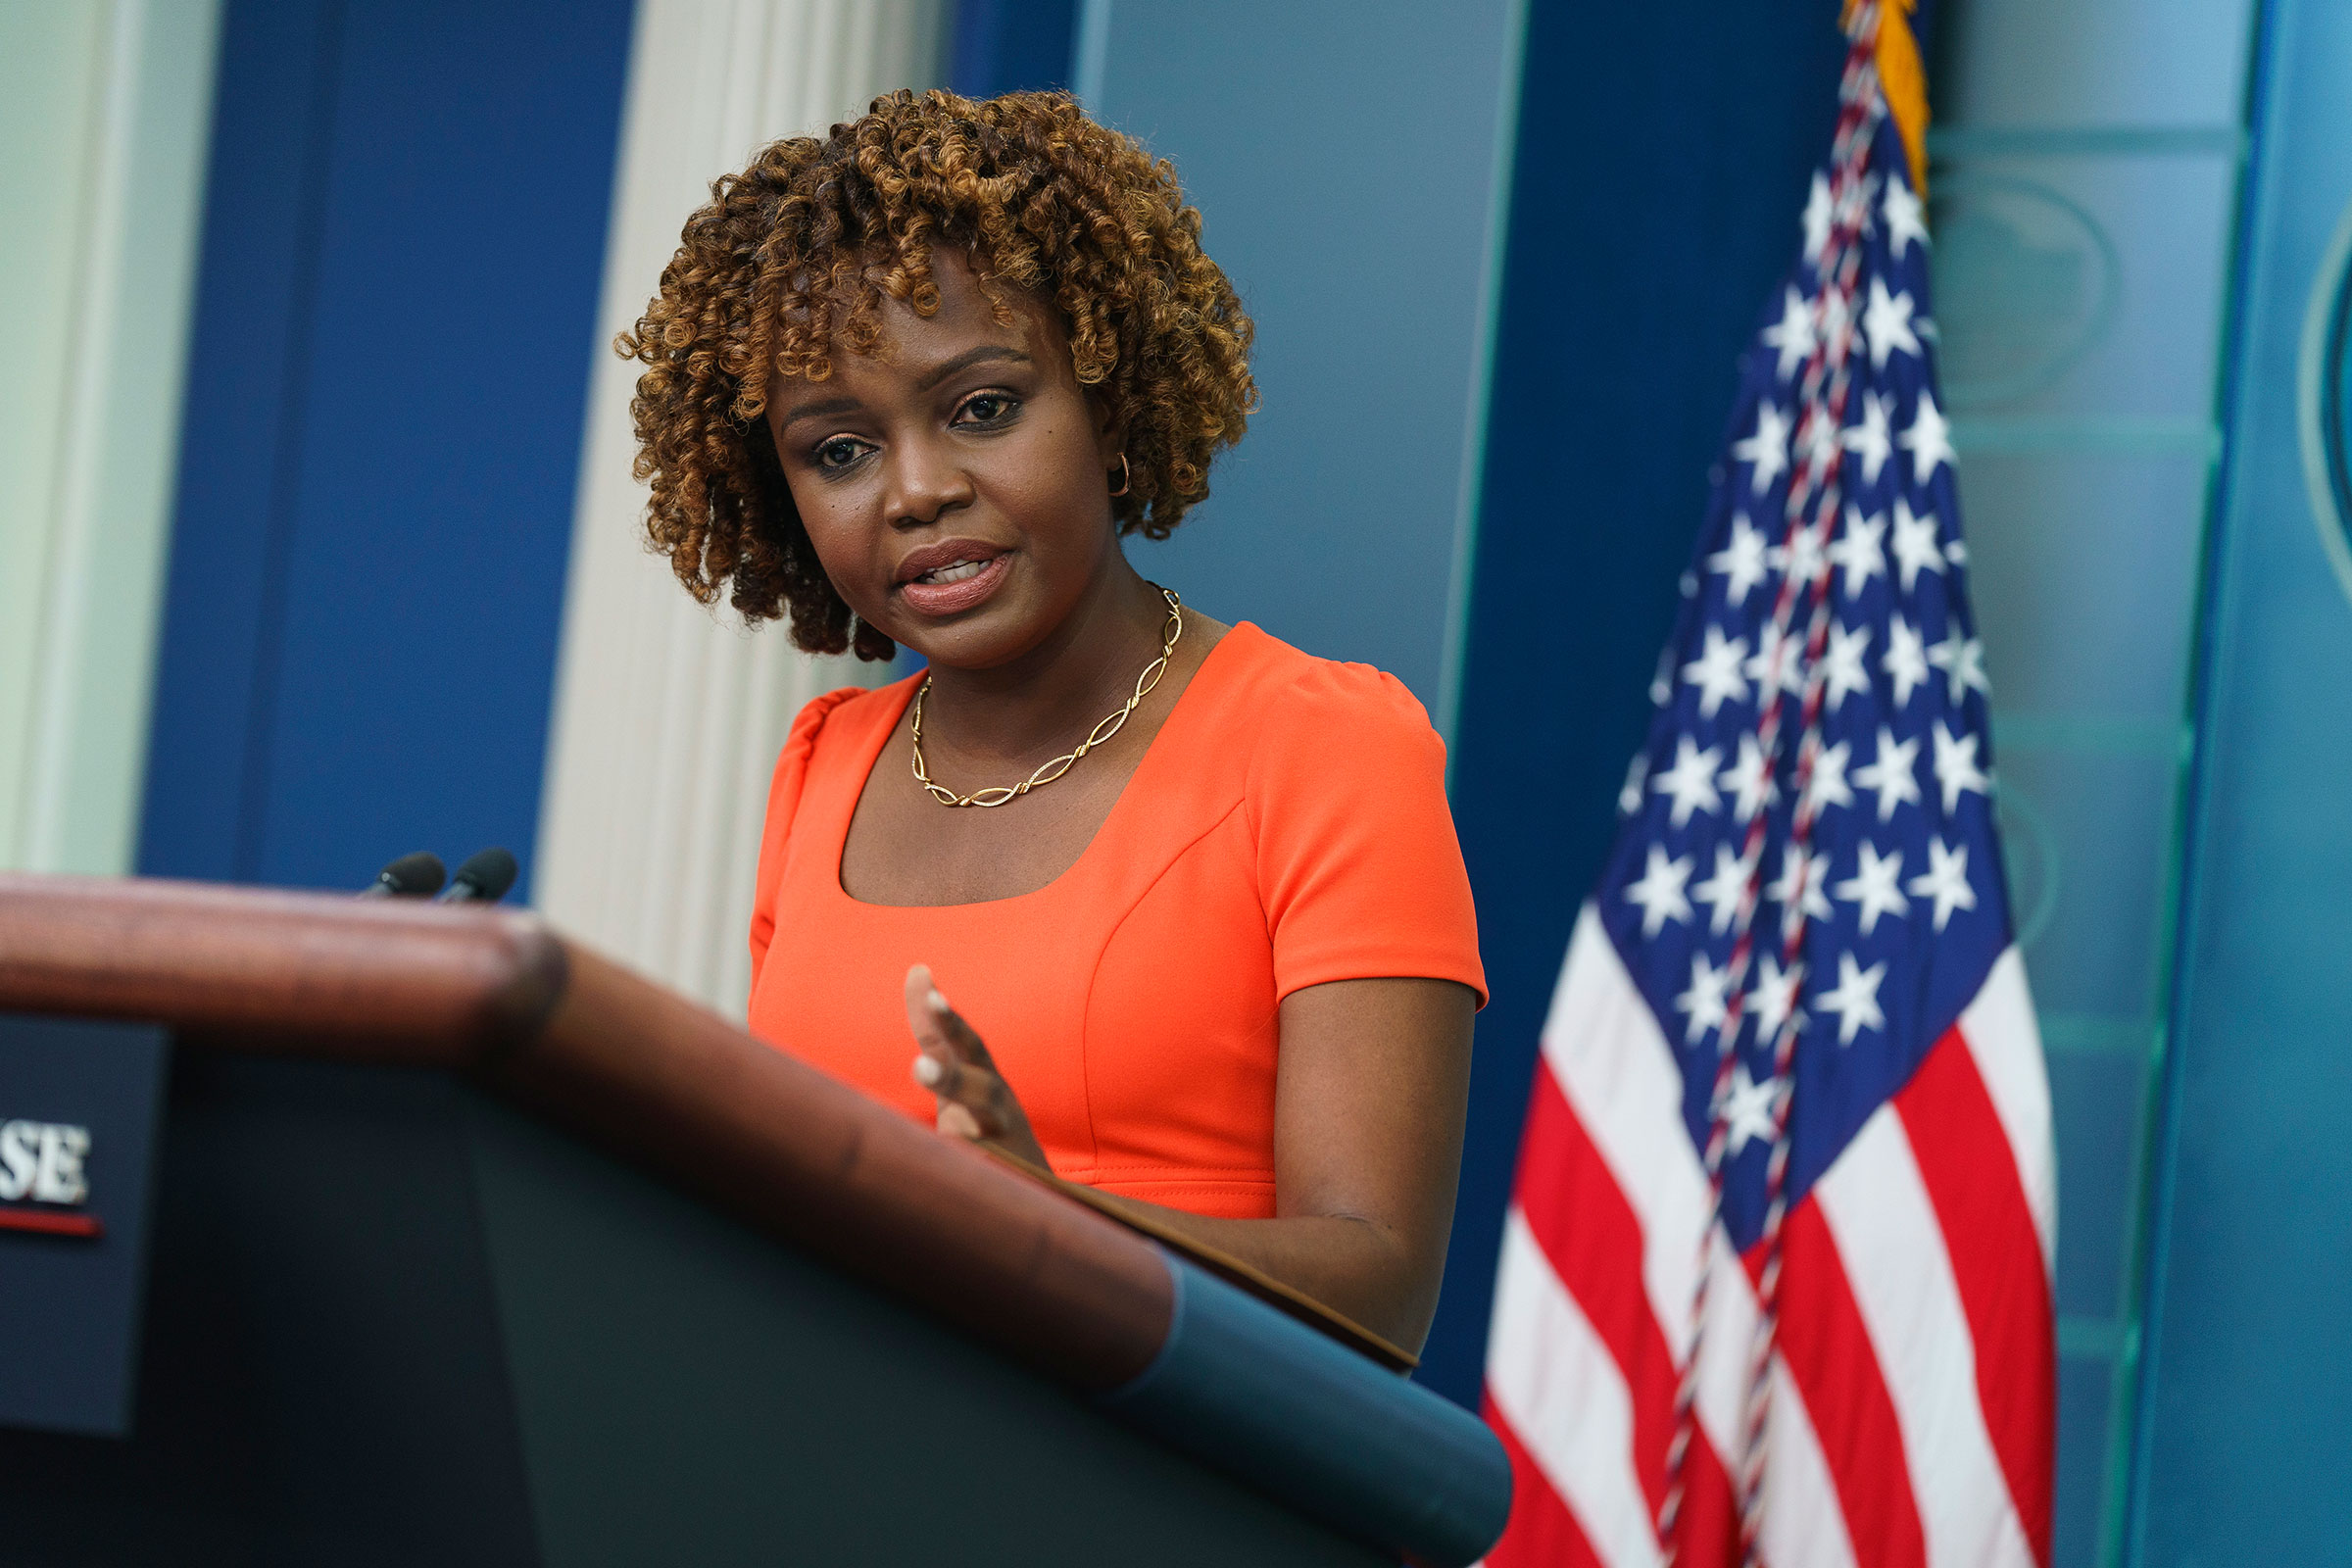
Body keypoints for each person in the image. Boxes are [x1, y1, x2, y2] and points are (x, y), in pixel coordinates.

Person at [618, 89, 1484, 1352]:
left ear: (1106, 398)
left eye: (982, 407)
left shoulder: (1326, 747)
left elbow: (1382, 1289)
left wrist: (1046, 1225)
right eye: (840, 450)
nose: (918, 489)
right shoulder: (825, 772)